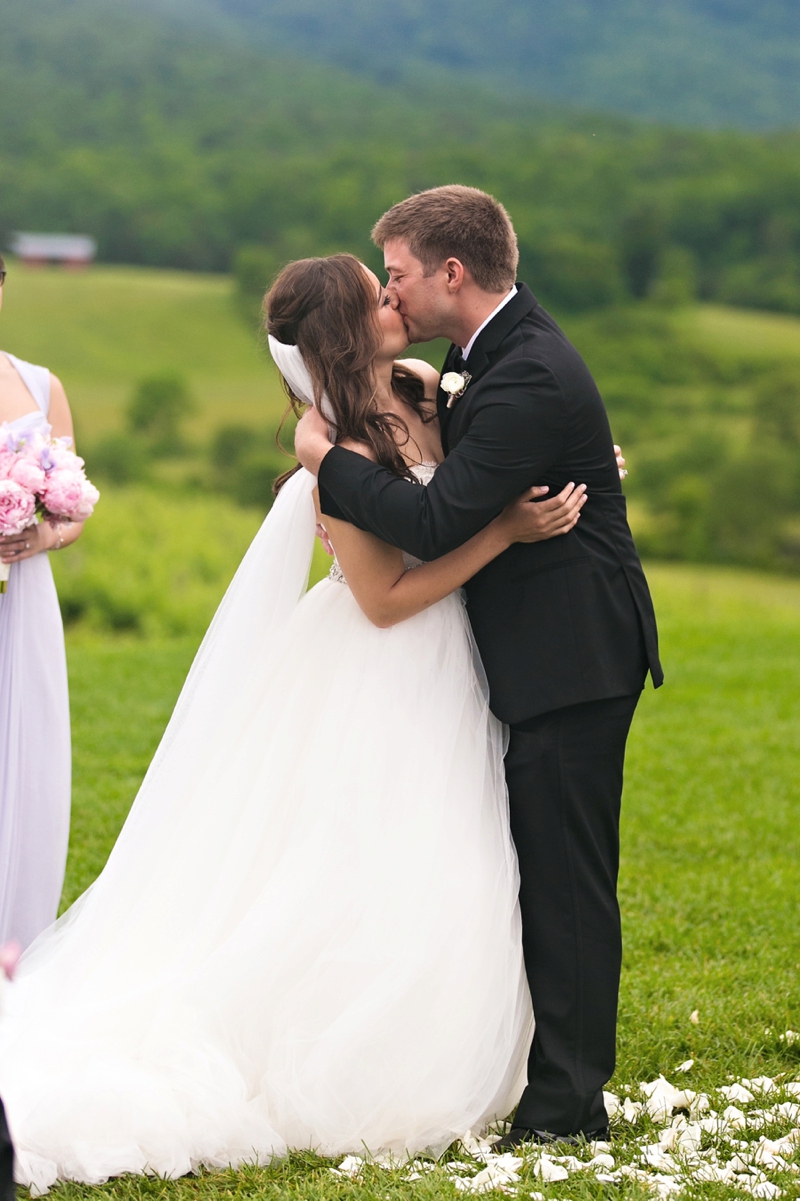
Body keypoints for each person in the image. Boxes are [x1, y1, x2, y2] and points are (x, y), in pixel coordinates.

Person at [0, 253, 586, 1193]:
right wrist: (502, 536)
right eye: (377, 291)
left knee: (451, 858)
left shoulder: (420, 389)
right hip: (384, 670)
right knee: (367, 861)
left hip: (450, 670)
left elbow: (485, 458)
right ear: (349, 329)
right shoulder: (333, 455)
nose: (395, 299)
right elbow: (385, 601)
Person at [295, 186, 663, 1147]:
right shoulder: (475, 357)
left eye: (401, 273)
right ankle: (551, 1087)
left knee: (567, 883)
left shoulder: (525, 371)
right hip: (534, 649)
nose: (392, 290)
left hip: (573, 655)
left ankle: (566, 1106)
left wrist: (321, 458)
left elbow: (427, 519)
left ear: (451, 274)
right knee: (537, 873)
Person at [0, 252, 83, 951]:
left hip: (22, 597)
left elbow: (77, 505)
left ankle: (18, 935)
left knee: (25, 753)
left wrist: (42, 537)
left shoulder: (39, 383)